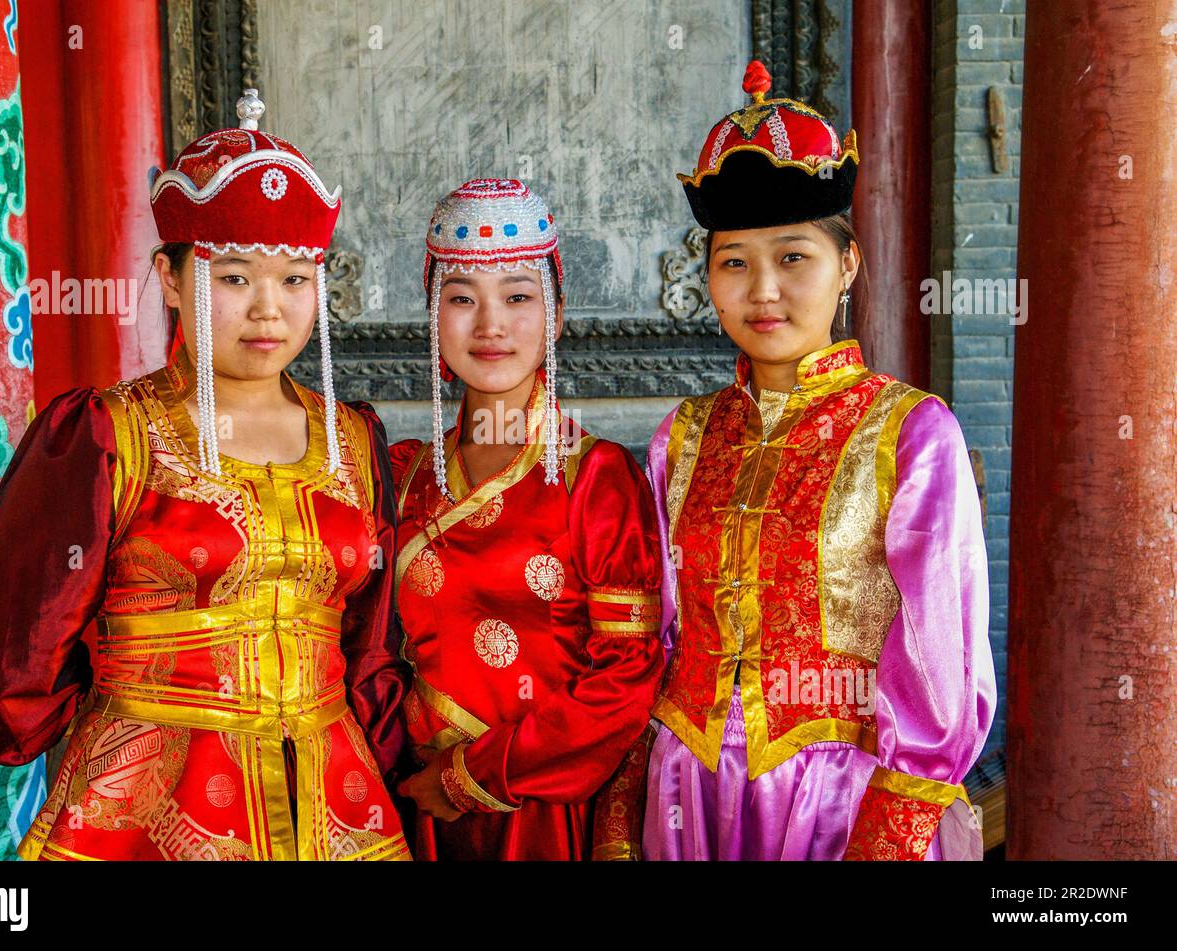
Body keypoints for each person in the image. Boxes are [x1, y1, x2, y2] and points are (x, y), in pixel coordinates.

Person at [0, 90, 411, 861]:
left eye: (294, 279)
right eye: (235, 277)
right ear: (172, 277)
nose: (268, 310)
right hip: (148, 807)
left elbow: (372, 642)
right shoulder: (106, 435)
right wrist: (96, 712)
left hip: (334, 798)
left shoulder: (355, 437)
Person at [637, 61, 996, 860]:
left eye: (793, 256)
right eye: (734, 262)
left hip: (843, 797)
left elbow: (942, 659)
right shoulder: (684, 436)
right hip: (688, 789)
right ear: (708, 279)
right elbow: (656, 635)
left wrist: (890, 830)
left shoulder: (907, 432)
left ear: (848, 266)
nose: (764, 289)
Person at [390, 179, 664, 860]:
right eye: (461, 299)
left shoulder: (595, 479)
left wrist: (469, 775)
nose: (490, 324)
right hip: (413, 805)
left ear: (557, 315)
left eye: (518, 297)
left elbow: (627, 677)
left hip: (541, 811)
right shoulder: (400, 476)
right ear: (432, 316)